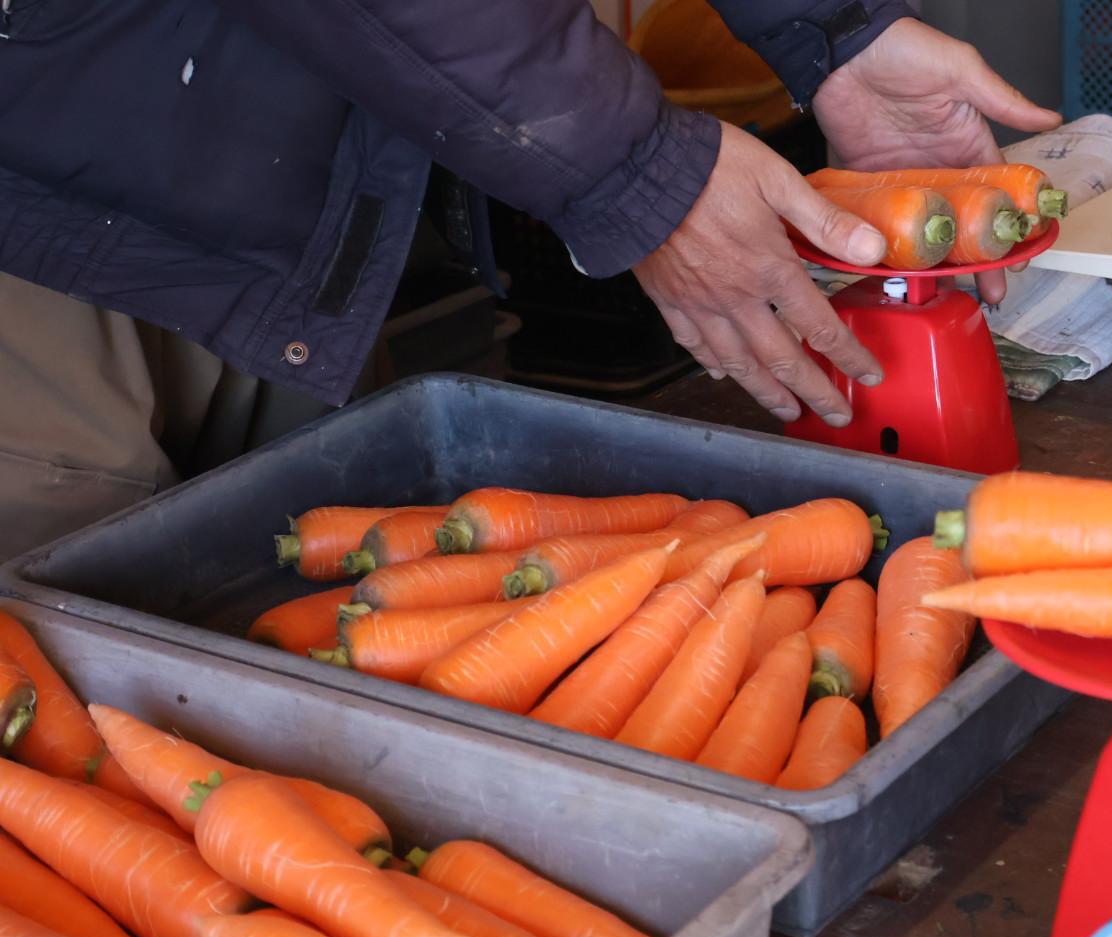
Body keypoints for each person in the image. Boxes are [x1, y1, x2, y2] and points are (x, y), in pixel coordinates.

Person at [0, 1, 1058, 558]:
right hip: (40, 208)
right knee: (56, 735)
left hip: (305, 183)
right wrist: (638, 169)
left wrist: (835, 27)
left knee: (331, 603)